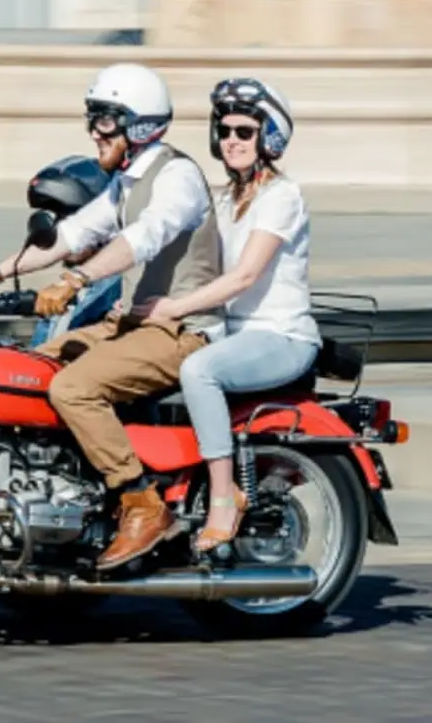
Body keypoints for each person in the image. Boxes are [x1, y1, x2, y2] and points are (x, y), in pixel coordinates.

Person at [0, 62, 225, 571]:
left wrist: (75, 281)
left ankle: (140, 503)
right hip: (132, 325)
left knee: (72, 388)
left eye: (104, 120)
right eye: (92, 119)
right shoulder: (125, 183)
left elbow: (141, 238)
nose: (92, 132)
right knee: (27, 370)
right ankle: (61, 497)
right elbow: (72, 235)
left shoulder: (178, 177)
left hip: (182, 329)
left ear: (138, 125)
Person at [133, 77, 321, 555]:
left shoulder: (282, 197)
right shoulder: (220, 198)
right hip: (230, 333)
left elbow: (243, 276)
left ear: (269, 137)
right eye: (225, 130)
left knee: (200, 370)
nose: (231, 140)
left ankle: (223, 497)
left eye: (244, 130)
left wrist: (173, 308)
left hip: (280, 337)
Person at [24, 154, 122, 348]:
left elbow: (44, 355)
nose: (61, 232)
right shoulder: (80, 286)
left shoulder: (110, 286)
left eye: (71, 221)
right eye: (56, 219)